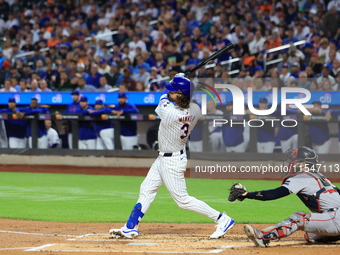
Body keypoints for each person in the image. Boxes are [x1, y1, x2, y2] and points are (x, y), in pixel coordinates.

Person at [109, 73, 234, 239]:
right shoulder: (195, 109)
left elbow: (162, 97)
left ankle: (222, 219)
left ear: (180, 95)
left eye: (173, 91)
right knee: (146, 190)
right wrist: (182, 83)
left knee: (182, 200)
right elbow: (179, 97)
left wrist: (177, 79)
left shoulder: (169, 112)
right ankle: (130, 227)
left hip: (172, 161)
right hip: (165, 157)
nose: (169, 92)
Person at [230, 147, 340, 247]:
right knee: (311, 235)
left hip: (335, 218)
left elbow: (274, 194)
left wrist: (247, 194)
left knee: (299, 218)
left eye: (294, 161)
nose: (291, 164)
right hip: (334, 217)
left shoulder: (302, 177)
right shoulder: (320, 178)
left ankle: (263, 237)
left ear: (303, 164)